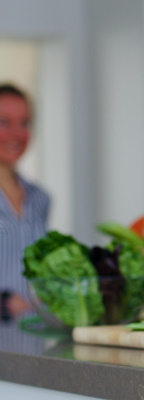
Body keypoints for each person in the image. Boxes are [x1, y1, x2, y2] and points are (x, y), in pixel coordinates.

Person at [0, 83, 50, 321]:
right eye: (3, 122)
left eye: (24, 123)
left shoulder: (40, 198)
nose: (16, 134)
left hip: (33, 336)